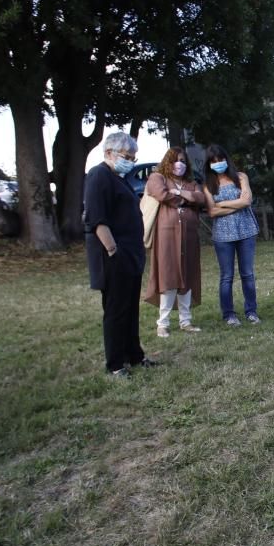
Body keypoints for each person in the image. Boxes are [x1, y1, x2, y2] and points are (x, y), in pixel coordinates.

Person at [83, 131, 157, 377]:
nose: (131, 162)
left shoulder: (120, 177)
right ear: (109, 153)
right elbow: (97, 219)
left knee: (130, 309)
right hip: (114, 257)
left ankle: (134, 355)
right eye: (127, 157)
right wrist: (113, 250)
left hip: (131, 255)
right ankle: (115, 364)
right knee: (116, 310)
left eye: (134, 158)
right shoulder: (98, 176)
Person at [143, 147, 204, 337]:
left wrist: (183, 195)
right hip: (166, 235)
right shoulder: (157, 177)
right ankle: (163, 323)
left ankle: (185, 321)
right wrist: (186, 200)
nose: (180, 164)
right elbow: (161, 194)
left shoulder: (191, 183)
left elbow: (200, 198)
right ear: (168, 161)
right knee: (168, 276)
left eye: (184, 161)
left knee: (187, 275)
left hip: (189, 236)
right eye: (176, 160)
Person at [203, 145, 260, 326]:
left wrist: (222, 204)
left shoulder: (241, 177)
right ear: (209, 164)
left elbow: (247, 200)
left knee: (247, 274)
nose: (218, 163)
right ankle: (229, 314)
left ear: (226, 159)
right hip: (222, 235)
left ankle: (251, 311)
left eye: (220, 159)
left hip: (246, 231)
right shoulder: (208, 185)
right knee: (226, 276)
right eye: (214, 161)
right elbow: (211, 212)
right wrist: (237, 204)